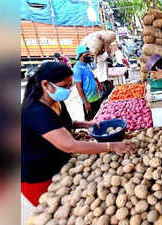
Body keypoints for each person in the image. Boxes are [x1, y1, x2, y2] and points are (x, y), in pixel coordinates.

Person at [21, 61, 136, 206]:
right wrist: (112, 146)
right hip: (38, 174)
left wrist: (86, 124)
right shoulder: (35, 111)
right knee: (53, 211)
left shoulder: (56, 101)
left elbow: (61, 123)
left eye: (70, 85)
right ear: (46, 84)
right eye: (64, 86)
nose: (68, 90)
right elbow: (69, 145)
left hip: (60, 165)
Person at [73, 45, 103, 121]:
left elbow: (92, 77)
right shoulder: (77, 68)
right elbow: (78, 87)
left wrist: (98, 85)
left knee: (98, 117)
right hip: (89, 100)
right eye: (87, 55)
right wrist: (86, 102)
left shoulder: (87, 65)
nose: (89, 56)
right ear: (80, 56)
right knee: (91, 120)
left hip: (95, 97)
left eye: (89, 54)